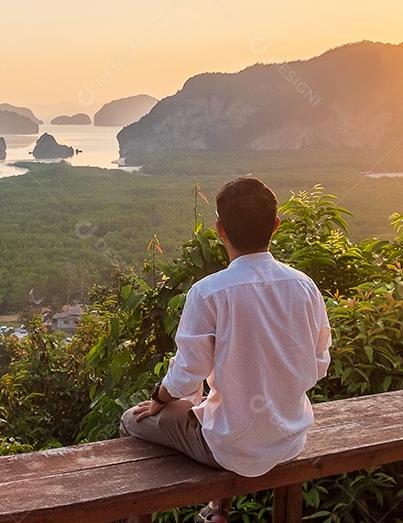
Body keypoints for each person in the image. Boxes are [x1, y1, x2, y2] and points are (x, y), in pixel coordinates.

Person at [119, 178, 332, 522]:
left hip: (230, 448)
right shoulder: (304, 286)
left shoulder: (208, 293)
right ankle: (217, 509)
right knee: (213, 406)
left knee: (133, 421)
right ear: (275, 226)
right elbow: (319, 365)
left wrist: (159, 396)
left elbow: (187, 377)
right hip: (290, 438)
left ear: (220, 229)